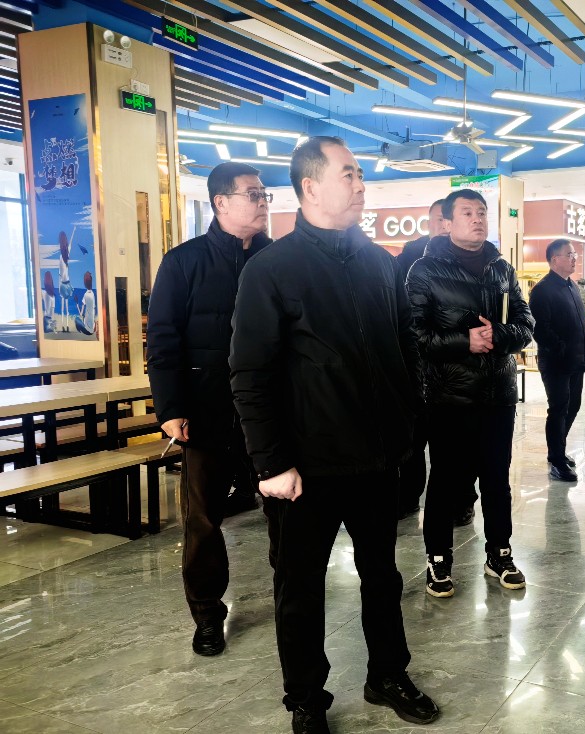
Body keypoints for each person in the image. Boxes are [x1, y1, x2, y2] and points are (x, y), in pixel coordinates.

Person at [229, 136, 438, 733]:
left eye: (361, 174)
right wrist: (270, 463)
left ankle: (387, 674)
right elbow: (249, 373)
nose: (361, 184)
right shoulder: (271, 270)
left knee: (383, 576)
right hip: (305, 469)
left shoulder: (378, 262)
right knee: (300, 589)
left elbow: (403, 348)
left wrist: (407, 423)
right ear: (310, 187)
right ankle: (305, 698)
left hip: (377, 459)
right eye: (349, 174)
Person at [147, 161, 272, 657]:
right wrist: (170, 408)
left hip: (269, 412)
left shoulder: (278, 259)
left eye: (264, 194)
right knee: (202, 520)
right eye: (252, 194)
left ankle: (294, 599)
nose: (262, 202)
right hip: (206, 410)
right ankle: (206, 614)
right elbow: (163, 340)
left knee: (288, 510)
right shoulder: (184, 262)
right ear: (220, 202)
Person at [407, 188, 534, 599]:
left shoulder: (502, 268)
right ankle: (438, 558)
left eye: (481, 212)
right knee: (446, 481)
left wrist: (498, 335)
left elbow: (525, 323)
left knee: (497, 478)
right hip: (449, 398)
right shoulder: (424, 270)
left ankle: (499, 553)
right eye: (467, 213)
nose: (477, 219)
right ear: (447, 222)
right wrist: (466, 342)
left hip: (498, 394)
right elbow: (412, 335)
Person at [395, 199, 478, 525]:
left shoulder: (474, 258)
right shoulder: (411, 255)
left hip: (459, 367)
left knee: (460, 445)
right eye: (438, 220)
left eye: (447, 220)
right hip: (417, 366)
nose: (443, 226)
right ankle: (408, 497)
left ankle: (462, 500)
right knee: (413, 441)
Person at [528, 238, 585, 481]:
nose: (574, 258)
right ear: (555, 259)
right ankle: (557, 461)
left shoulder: (571, 286)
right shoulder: (542, 290)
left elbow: (580, 322)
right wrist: (561, 349)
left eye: (574, 254)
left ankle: (558, 450)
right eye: (569, 254)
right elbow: (540, 329)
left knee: (573, 406)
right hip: (557, 362)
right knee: (558, 409)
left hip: (576, 360)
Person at [74, 271, 97, 336]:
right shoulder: (93, 294)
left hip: (87, 330)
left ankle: (81, 332)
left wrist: (77, 303)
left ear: (85, 283)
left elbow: (81, 314)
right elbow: (93, 309)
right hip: (93, 329)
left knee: (76, 319)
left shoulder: (85, 295)